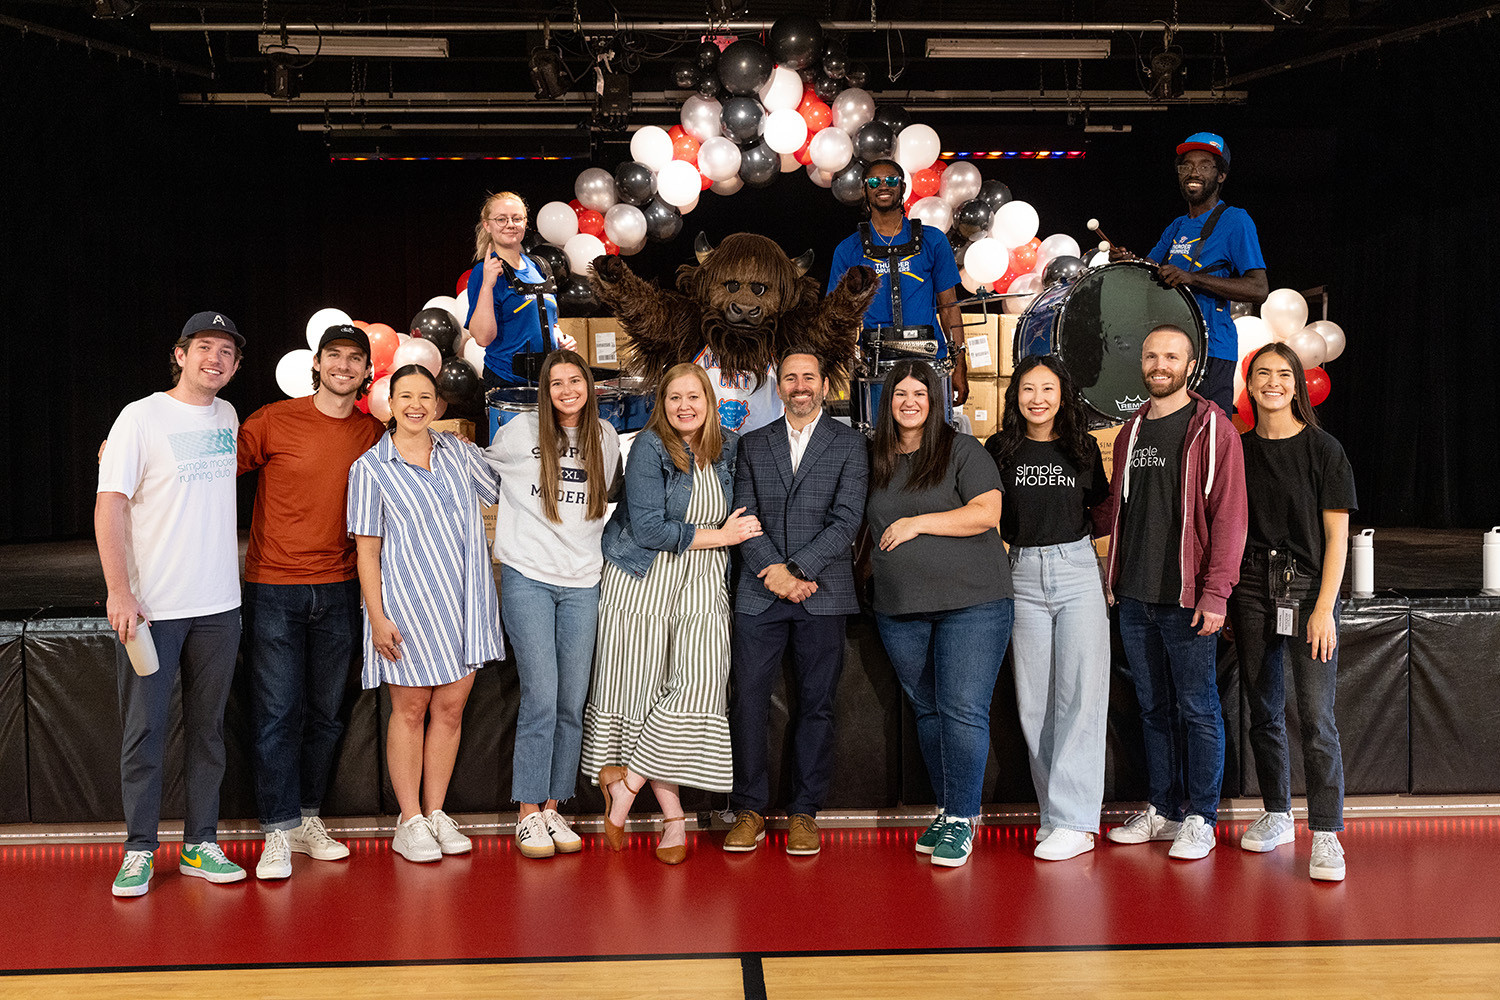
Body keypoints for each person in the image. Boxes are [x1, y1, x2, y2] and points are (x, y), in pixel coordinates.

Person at [579, 363, 762, 865]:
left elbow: (740, 512)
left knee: (699, 681)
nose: (684, 406)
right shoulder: (650, 447)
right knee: (642, 690)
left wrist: (730, 536)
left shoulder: (729, 447)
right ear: (663, 405)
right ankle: (674, 819)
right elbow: (650, 530)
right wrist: (723, 536)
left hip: (703, 575)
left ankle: (627, 784)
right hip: (644, 576)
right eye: (674, 398)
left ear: (709, 400)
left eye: (693, 397)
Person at [96, 311, 248, 896]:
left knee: (208, 731)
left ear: (235, 367)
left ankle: (199, 844)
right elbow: (110, 504)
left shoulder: (228, 416)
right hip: (151, 608)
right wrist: (119, 590)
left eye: (227, 352)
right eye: (205, 347)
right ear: (180, 354)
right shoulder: (140, 416)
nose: (216, 358)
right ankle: (138, 849)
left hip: (218, 607)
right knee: (145, 731)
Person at [237, 324, 384, 880]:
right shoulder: (273, 420)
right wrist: (132, 453)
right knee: (277, 713)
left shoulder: (373, 434)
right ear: (317, 364)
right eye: (334, 357)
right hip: (274, 588)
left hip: (341, 589)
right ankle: (276, 831)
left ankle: (305, 819)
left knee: (324, 715)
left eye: (355, 359)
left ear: (367, 371)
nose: (344, 366)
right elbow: (207, 469)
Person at [1099, 324, 1247, 861]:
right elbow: (1118, 510)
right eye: (1152, 356)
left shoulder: (1213, 429)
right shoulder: (1130, 431)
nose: (1160, 365)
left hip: (1187, 600)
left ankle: (1200, 818)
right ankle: (1163, 810)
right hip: (1134, 598)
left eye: (1171, 357)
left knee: (1199, 709)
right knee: (1153, 708)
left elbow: (1230, 518)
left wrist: (1216, 593)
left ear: (1190, 365)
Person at [347, 363, 503, 863]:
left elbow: (511, 485)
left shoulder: (461, 454)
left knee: (450, 711)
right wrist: (377, 617)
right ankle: (409, 818)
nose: (416, 404)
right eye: (405, 395)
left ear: (437, 405)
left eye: (426, 396)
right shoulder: (370, 469)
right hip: (407, 609)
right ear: (389, 404)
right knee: (410, 713)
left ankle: (436, 812)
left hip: (465, 604)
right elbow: (366, 553)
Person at [865, 359, 1011, 868]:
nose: (910, 402)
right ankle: (950, 808)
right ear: (887, 403)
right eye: (900, 394)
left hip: (973, 602)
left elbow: (986, 513)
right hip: (900, 607)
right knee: (928, 710)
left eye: (920, 393)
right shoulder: (875, 457)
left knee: (963, 709)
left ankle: (963, 820)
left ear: (935, 399)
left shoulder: (962, 450)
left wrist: (915, 523)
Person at [724, 347, 869, 856]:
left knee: (817, 706)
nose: (800, 385)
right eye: (791, 378)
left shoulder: (850, 444)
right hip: (759, 594)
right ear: (779, 387)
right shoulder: (752, 443)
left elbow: (848, 519)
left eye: (809, 377)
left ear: (824, 385)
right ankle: (749, 810)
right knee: (746, 703)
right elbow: (743, 514)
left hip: (821, 592)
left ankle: (804, 812)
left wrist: (799, 571)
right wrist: (775, 573)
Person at [483, 349, 621, 860]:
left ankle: (554, 804)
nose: (566, 390)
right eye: (556, 383)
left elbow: (606, 501)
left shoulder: (604, 437)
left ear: (588, 385)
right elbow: (480, 473)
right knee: (541, 696)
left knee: (571, 701)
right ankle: (526, 811)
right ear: (545, 390)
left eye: (575, 381)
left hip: (583, 580)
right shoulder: (520, 432)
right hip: (528, 577)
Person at [1231, 342, 1356, 882]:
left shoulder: (1325, 450)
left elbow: (1337, 537)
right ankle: (1278, 812)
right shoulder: (1237, 450)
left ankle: (1326, 831)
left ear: (1298, 386)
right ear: (1250, 385)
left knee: (1316, 716)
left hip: (1306, 587)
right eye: (1263, 374)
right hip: (1252, 586)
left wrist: (1324, 607)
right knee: (1263, 708)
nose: (1273, 382)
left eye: (1284, 374)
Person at [984, 355, 1111, 862]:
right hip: (1022, 571)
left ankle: (1078, 823)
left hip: (1077, 569)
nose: (1037, 398)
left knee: (1081, 696)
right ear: (1016, 395)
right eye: (1028, 389)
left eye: (1048, 389)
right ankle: (1056, 814)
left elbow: (1098, 511)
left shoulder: (1082, 449)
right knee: (1034, 701)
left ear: (1064, 395)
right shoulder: (999, 449)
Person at [1109, 132, 1268, 418]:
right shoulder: (1177, 226)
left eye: (1205, 165)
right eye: (1186, 166)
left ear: (1221, 176)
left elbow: (1258, 289)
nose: (1193, 172)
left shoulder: (1235, 220)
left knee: (1208, 440)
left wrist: (1193, 278)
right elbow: (1148, 275)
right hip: (1172, 354)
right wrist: (1127, 261)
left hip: (1213, 350)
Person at [828, 159, 969, 411]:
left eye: (891, 180)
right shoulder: (848, 249)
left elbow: (949, 306)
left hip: (930, 362)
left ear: (902, 187)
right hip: (876, 366)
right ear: (864, 190)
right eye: (874, 181)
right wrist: (847, 365)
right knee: (880, 446)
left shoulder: (933, 240)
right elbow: (838, 318)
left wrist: (960, 365)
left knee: (934, 446)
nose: (883, 185)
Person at [465, 191, 577, 389]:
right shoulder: (483, 272)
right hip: (508, 383)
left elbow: (547, 321)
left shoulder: (540, 266)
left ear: (525, 223)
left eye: (517, 218)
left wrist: (559, 337)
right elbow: (482, 338)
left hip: (548, 380)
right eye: (501, 219)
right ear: (487, 225)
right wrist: (487, 285)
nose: (510, 224)